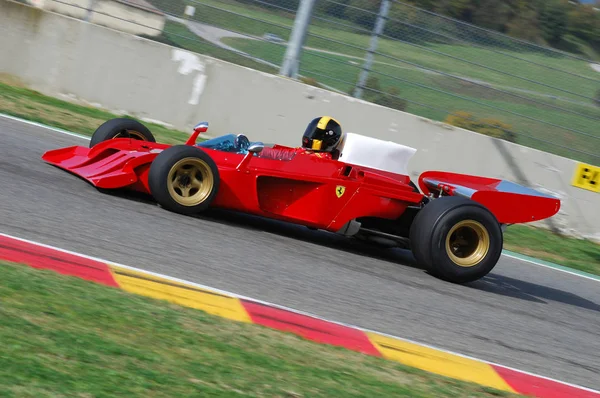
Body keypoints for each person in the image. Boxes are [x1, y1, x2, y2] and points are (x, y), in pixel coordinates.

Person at [258, 116, 344, 161]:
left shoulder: (319, 159)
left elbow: (287, 156)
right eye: (311, 131)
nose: (310, 136)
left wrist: (259, 151)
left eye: (316, 134)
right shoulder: (308, 152)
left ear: (329, 140)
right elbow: (288, 153)